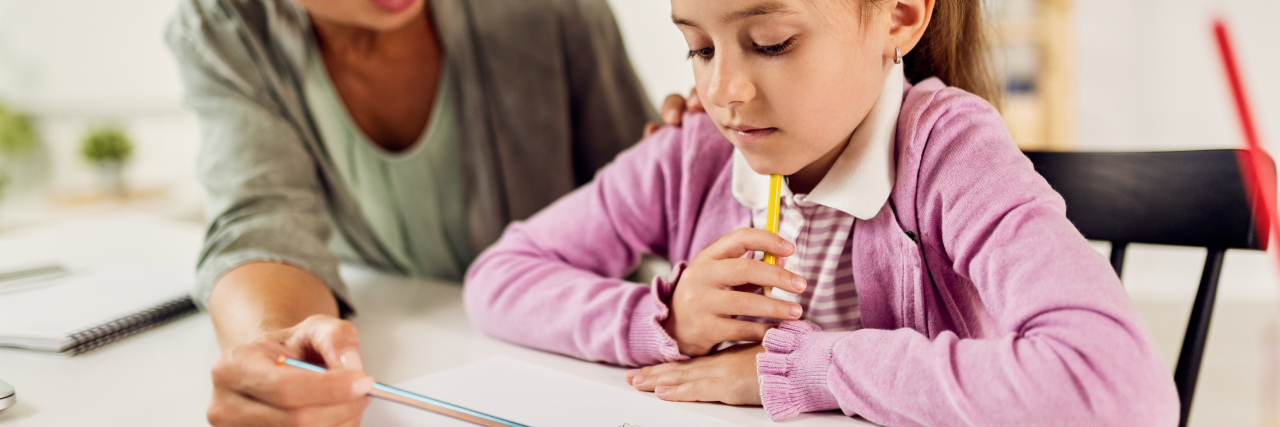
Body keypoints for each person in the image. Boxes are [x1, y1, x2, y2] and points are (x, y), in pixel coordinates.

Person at [464, 0, 1180, 424]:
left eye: (772, 42)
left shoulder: (949, 154)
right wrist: (665, 318)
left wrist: (803, 367)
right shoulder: (696, 154)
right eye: (699, 46)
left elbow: (1121, 387)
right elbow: (499, 277)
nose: (725, 91)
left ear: (899, 15)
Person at [165, 0, 696, 424]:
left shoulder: (558, 12)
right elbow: (261, 218)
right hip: (420, 359)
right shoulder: (225, 26)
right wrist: (273, 348)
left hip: (586, 361)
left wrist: (719, 145)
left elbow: (663, 200)